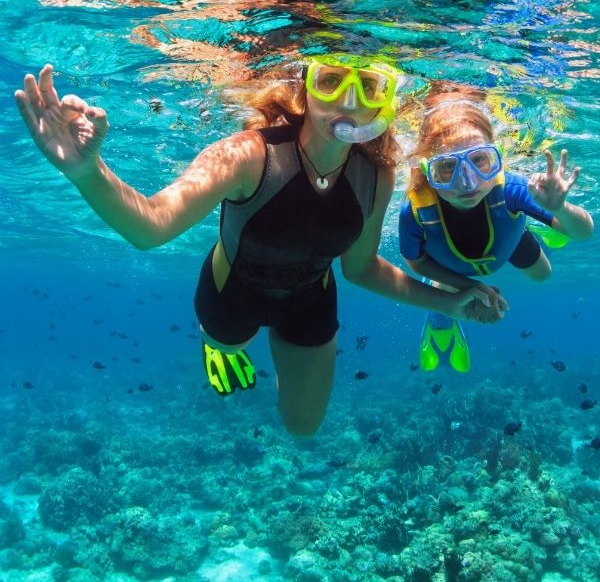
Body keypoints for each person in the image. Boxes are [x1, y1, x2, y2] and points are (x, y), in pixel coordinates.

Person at [16, 58, 496, 437]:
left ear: (384, 105)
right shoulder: (249, 154)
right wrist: (85, 171)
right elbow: (151, 227)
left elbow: (362, 268)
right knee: (227, 342)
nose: (348, 100)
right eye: (331, 82)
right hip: (233, 290)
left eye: (369, 87)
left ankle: (271, 357)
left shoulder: (378, 174)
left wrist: (452, 302)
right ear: (305, 90)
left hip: (311, 296)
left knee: (303, 427)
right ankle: (221, 346)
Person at [399, 85, 594, 374]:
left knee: (543, 274)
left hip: (508, 238)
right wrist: (470, 287)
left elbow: (584, 232)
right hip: (450, 266)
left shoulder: (512, 189)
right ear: (428, 171)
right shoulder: (415, 210)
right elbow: (415, 262)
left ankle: (541, 222)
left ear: (497, 157)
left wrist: (559, 209)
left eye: (480, 161)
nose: (467, 183)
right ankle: (441, 321)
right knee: (446, 290)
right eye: (447, 168)